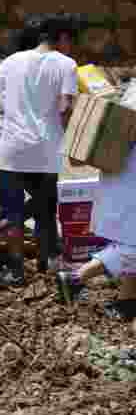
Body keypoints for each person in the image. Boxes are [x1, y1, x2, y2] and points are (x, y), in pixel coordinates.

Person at [0, 13, 79, 287]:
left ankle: (16, 271)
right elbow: (65, 108)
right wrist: (74, 143)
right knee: (45, 209)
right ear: (63, 38)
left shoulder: (12, 61)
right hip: (46, 151)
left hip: (12, 150)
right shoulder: (67, 65)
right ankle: (47, 267)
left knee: (13, 213)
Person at [0, 14, 49, 253]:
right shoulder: (44, 66)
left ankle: (19, 248)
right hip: (25, 143)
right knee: (45, 198)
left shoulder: (11, 63)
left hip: (5, 141)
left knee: (25, 199)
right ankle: (10, 233)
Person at [56, 123, 136, 320]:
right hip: (129, 184)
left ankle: (127, 301)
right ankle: (75, 278)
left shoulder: (128, 98)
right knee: (132, 246)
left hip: (118, 180)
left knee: (129, 241)